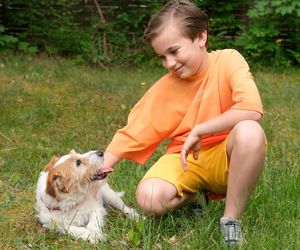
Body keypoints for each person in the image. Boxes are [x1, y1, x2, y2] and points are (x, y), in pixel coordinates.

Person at [103, 0, 266, 246]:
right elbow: (135, 131)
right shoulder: (166, 86)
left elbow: (251, 109)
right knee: (149, 199)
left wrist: (201, 129)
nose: (169, 63)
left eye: (174, 51)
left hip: (228, 156)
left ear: (201, 37)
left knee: (250, 132)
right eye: (162, 57)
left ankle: (231, 220)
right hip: (184, 158)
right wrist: (98, 169)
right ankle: (195, 197)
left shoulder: (228, 60)